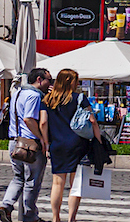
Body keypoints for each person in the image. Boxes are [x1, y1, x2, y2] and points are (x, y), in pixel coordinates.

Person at [42, 70, 97, 222]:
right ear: (69, 81)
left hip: (57, 145)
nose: (78, 84)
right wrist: (98, 138)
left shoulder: (48, 100)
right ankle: (71, 218)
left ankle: (55, 218)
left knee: (57, 183)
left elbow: (43, 122)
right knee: (75, 184)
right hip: (77, 143)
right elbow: (91, 119)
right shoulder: (79, 98)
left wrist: (46, 144)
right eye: (76, 80)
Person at [0, 67, 51, 222]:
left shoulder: (17, 93)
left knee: (18, 178)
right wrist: (41, 137)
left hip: (14, 142)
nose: (50, 83)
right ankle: (30, 216)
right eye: (49, 79)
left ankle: (5, 206)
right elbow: (29, 119)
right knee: (32, 181)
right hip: (29, 145)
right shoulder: (34, 96)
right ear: (39, 80)